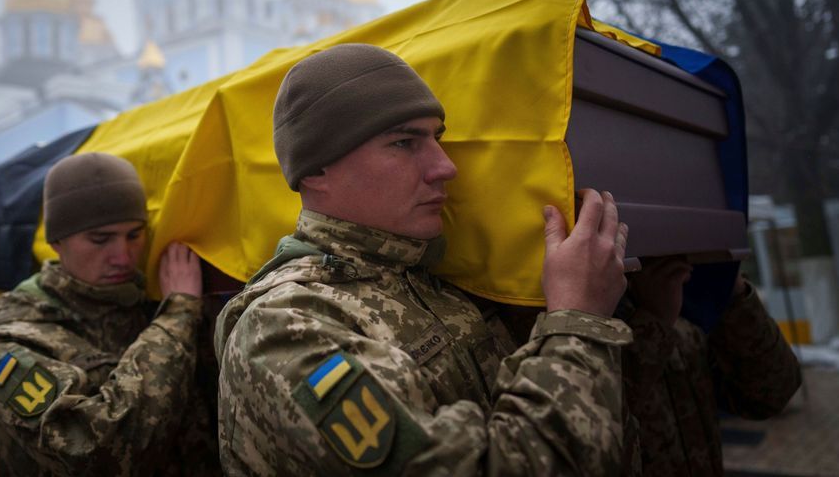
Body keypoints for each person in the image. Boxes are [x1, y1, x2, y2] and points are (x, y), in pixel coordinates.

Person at [215, 43, 635, 475]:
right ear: (315, 171)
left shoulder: (435, 279)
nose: (445, 166)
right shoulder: (285, 327)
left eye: (437, 138)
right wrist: (577, 319)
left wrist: (648, 317)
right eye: (403, 142)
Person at [0, 152, 219, 476]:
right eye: (100, 239)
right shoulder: (12, 335)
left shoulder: (147, 298)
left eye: (134, 235)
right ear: (57, 241)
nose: (122, 256)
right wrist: (178, 317)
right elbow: (92, 451)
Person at [621, 257, 801, 476]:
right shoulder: (582, 324)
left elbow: (772, 393)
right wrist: (654, 321)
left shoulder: (686, 317)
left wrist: (729, 286)